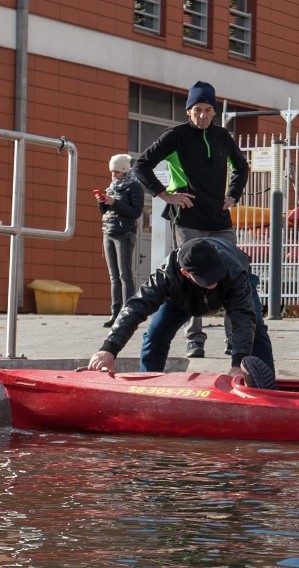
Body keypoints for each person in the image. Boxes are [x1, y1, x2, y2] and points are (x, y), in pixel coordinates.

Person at [133, 80, 249, 359]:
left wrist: (233, 195)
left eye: (208, 109)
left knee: (234, 275)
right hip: (188, 220)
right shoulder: (175, 136)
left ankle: (236, 340)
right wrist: (164, 195)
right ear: (188, 111)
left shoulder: (222, 136)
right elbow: (141, 166)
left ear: (214, 112)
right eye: (197, 109)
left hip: (220, 221)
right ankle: (194, 339)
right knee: (191, 278)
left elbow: (241, 167)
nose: (203, 114)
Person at [87, 237, 275, 383]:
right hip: (182, 298)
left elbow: (243, 318)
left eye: (215, 276)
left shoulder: (233, 271)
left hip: (235, 286)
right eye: (207, 279)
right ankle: (148, 384)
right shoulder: (166, 276)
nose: (213, 282)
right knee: (155, 334)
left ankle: (268, 389)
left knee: (256, 329)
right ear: (185, 272)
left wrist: (237, 364)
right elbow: (135, 307)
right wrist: (109, 350)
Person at [95, 153, 145, 328]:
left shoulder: (134, 187)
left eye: (116, 172)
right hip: (108, 232)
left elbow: (136, 212)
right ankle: (115, 314)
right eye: (111, 172)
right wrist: (102, 202)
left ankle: (128, 314)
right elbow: (105, 212)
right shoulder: (112, 187)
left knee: (125, 275)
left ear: (125, 170)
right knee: (113, 276)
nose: (113, 175)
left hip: (124, 233)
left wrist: (114, 202)